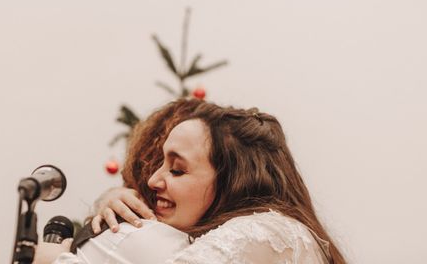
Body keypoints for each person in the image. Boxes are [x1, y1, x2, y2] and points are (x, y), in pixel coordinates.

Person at [37, 99, 346, 264]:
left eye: (177, 170)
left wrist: (66, 254)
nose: (154, 180)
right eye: (160, 163)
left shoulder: (270, 232)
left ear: (234, 181)